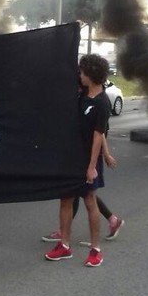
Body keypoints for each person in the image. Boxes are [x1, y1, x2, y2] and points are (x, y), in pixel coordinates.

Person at [45, 54, 112, 267]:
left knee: (90, 201)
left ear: (91, 76)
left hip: (88, 161)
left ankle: (96, 250)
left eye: (83, 73)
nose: (80, 76)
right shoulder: (83, 91)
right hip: (70, 158)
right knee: (65, 200)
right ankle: (64, 246)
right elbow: (64, 71)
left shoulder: (102, 103)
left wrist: (92, 167)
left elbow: (98, 135)